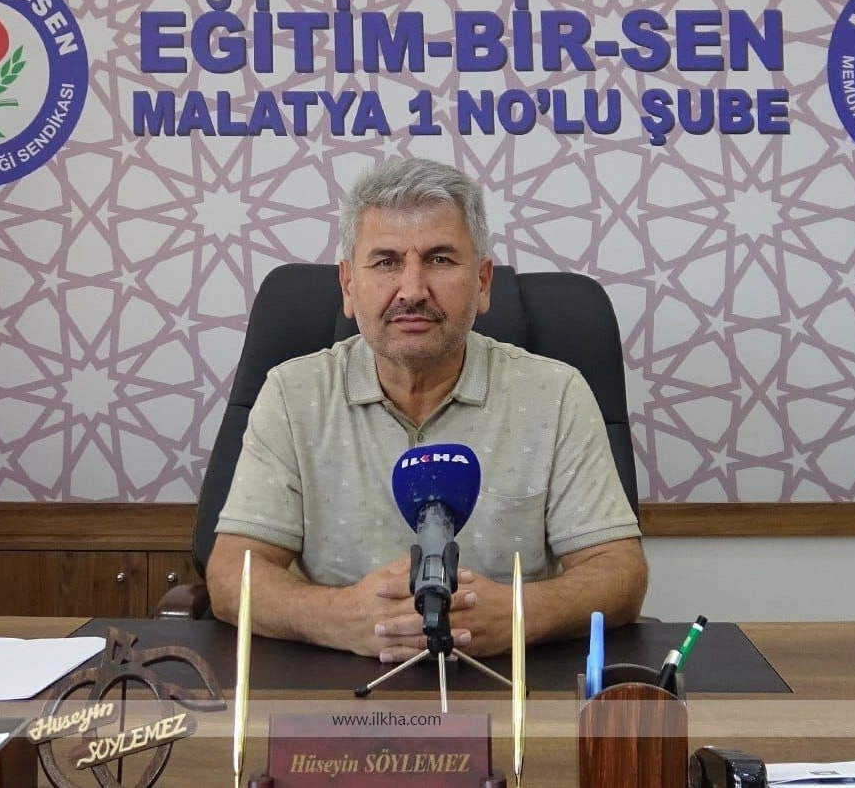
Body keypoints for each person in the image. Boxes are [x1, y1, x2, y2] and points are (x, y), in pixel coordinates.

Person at [206, 157, 647, 662]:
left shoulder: (556, 393)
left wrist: (520, 612)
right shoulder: (292, 393)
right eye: (386, 262)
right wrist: (340, 616)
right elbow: (230, 575)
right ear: (348, 286)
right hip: (337, 682)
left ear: (483, 283)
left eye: (439, 259)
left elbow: (619, 573)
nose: (413, 290)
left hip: (505, 680)